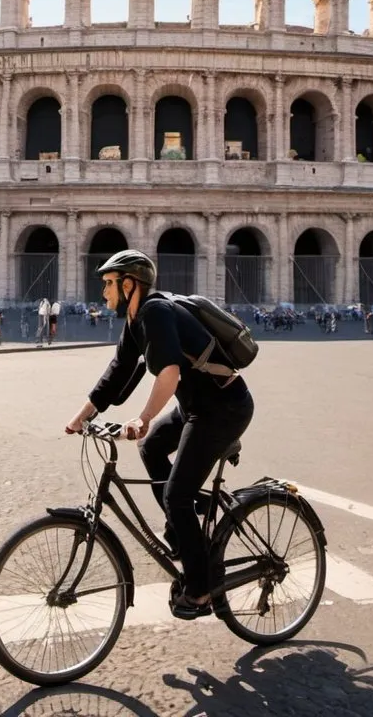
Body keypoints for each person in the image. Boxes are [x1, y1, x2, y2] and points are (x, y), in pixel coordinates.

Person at [64, 249, 254, 621]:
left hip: (223, 408)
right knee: (151, 449)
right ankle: (183, 532)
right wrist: (81, 416)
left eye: (108, 284)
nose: (103, 292)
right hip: (196, 407)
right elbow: (118, 370)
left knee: (176, 494)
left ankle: (200, 591)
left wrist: (145, 416)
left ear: (129, 284)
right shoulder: (136, 320)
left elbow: (170, 373)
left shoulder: (154, 312)